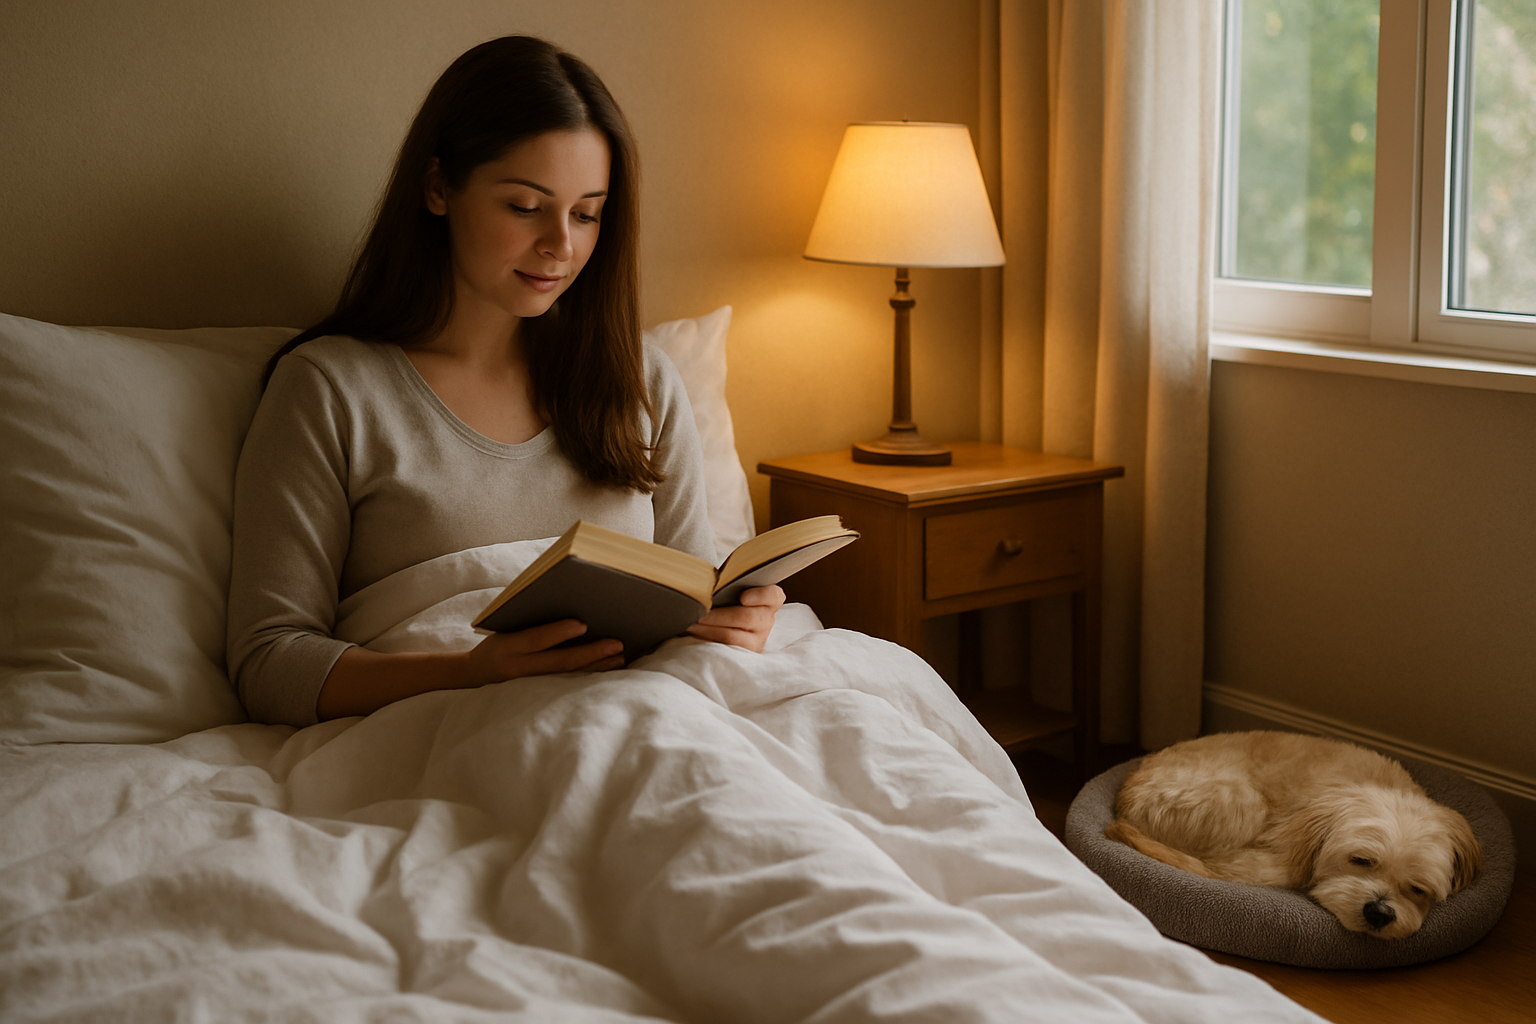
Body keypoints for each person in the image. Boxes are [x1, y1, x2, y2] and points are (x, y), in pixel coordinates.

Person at [226, 35, 782, 727]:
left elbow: (687, 601)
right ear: (438, 188)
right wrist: (472, 673)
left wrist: (734, 625)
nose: (562, 244)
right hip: (463, 732)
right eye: (525, 206)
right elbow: (269, 663)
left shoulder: (638, 381)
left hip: (652, 714)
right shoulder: (331, 390)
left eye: (586, 214)